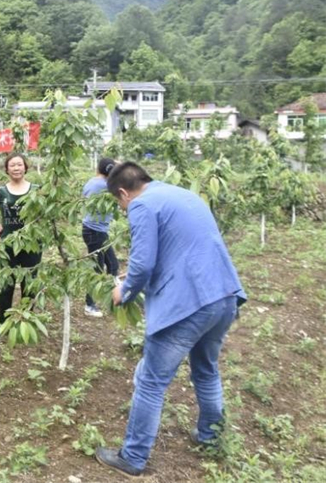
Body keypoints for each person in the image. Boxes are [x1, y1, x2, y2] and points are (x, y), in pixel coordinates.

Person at [95, 162, 246, 478]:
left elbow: (143, 262)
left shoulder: (141, 205)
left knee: (151, 381)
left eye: (118, 203)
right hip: (223, 293)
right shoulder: (180, 194)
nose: (122, 209)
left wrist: (125, 289)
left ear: (123, 192)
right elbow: (182, 248)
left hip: (189, 304)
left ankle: (133, 457)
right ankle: (211, 437)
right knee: (206, 369)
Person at [0, 153, 40, 323]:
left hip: (32, 245)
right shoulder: (2, 191)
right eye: (12, 165)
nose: (16, 168)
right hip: (8, 245)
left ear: (25, 167)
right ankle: (3, 320)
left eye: (19, 165)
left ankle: (26, 319)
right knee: (7, 284)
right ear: (7, 169)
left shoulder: (37, 190)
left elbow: (47, 214)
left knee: (30, 283)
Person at [81, 157, 119, 318]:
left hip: (94, 230)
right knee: (97, 269)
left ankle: (114, 298)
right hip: (95, 231)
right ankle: (89, 305)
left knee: (113, 265)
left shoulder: (92, 182)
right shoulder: (106, 186)